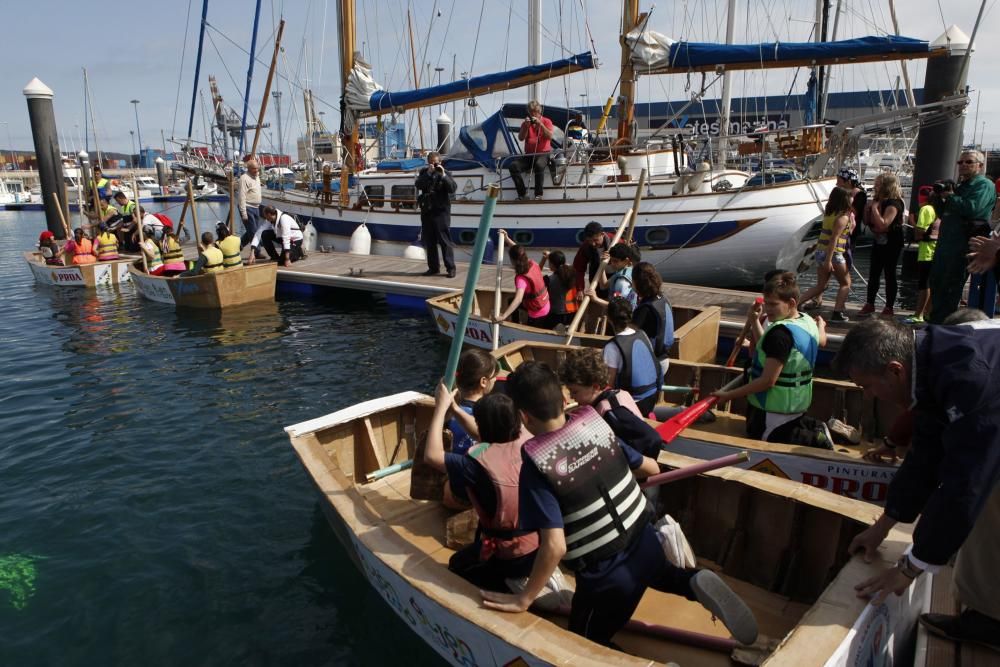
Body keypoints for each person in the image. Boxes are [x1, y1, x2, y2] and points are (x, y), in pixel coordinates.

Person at [481, 361, 758, 649]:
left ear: (524, 417)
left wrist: (523, 599)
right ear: (565, 400)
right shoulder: (596, 428)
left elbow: (554, 547)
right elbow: (651, 469)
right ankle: (694, 580)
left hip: (607, 580)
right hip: (648, 543)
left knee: (584, 644)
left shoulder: (537, 467)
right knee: (664, 575)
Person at [834, 318, 1000, 653]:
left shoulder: (969, 379)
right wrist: (884, 524)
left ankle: (990, 622)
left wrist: (911, 567)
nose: (869, 397)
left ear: (894, 371)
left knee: (986, 502)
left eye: (867, 386)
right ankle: (990, 617)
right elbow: (925, 455)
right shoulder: (926, 365)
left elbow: (963, 483)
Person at [423, 382, 539, 593]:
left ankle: (508, 585)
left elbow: (431, 456)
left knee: (457, 565)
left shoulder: (475, 466)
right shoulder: (527, 441)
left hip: (512, 556)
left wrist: (440, 409)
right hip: (538, 542)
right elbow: (485, 434)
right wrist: (456, 409)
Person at [713, 272, 832, 448]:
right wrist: (754, 320)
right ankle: (815, 425)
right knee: (780, 426)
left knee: (761, 433)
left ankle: (817, 437)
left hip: (774, 408)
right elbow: (821, 340)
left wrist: (728, 395)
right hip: (795, 405)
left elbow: (768, 381)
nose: (767, 310)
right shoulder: (806, 320)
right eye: (766, 303)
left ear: (791, 303)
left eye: (773, 304)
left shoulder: (780, 334)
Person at [929, 150, 998, 323]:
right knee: (938, 284)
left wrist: (950, 197)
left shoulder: (983, 185)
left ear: (980, 166)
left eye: (969, 162)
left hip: (962, 246)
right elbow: (942, 212)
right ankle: (936, 321)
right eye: (961, 162)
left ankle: (943, 326)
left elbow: (973, 208)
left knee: (950, 287)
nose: (963, 165)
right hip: (946, 245)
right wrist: (938, 198)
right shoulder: (960, 187)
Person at [558, 347, 662, 458]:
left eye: (575, 392)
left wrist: (643, 469)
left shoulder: (612, 412)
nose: (572, 397)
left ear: (595, 387)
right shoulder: (611, 394)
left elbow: (652, 438)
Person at [799, 187, 853, 322]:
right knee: (846, 283)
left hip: (821, 252)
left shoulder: (829, 215)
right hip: (833, 254)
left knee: (821, 285)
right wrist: (828, 261)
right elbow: (834, 238)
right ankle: (837, 313)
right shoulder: (843, 217)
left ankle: (795, 303)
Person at [602, 296, 662, 417]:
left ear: (609, 319)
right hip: (652, 397)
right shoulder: (643, 334)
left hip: (632, 404)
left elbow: (608, 385)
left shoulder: (612, 347)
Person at [857, 173, 905, 318]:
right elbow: (867, 222)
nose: (875, 187)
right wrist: (867, 209)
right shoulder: (877, 201)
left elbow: (883, 224)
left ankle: (889, 306)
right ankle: (869, 303)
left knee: (889, 273)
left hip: (892, 242)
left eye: (878, 184)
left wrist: (875, 210)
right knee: (874, 273)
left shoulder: (894, 203)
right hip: (879, 241)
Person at [445, 349, 500, 460]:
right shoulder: (489, 414)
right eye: (494, 376)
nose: (495, 380)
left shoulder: (447, 412)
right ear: (483, 382)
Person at [414, 151, 457, 277]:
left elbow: (452, 188)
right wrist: (428, 173)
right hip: (427, 211)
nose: (434, 165)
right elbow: (418, 184)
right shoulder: (424, 173)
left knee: (445, 241)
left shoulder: (446, 173)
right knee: (430, 241)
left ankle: (450, 268)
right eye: (431, 163)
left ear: (440, 162)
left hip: (441, 212)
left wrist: (443, 175)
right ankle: (433, 268)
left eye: (436, 163)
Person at [906, 184, 943, 324]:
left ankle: (918, 314)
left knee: (924, 284)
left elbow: (919, 232)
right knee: (932, 284)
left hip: (926, 251)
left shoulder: (926, 209)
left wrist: (912, 223)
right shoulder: (939, 209)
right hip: (937, 250)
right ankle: (928, 313)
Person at [495, 234, 550, 327]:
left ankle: (517, 327)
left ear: (513, 260)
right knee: (510, 301)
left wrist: (503, 316)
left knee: (514, 301)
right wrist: (507, 239)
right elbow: (518, 251)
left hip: (537, 312)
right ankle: (515, 323)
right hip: (546, 303)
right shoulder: (531, 263)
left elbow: (519, 299)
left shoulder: (521, 279)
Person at [631, 262, 675, 377]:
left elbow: (629, 337)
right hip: (664, 359)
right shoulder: (662, 298)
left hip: (651, 363)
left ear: (637, 283)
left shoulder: (644, 309)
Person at [509, 100, 554, 200]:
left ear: (539, 112)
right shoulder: (525, 123)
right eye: (531, 112)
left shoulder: (547, 121)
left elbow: (550, 136)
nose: (533, 114)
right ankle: (523, 194)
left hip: (543, 154)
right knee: (513, 166)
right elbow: (521, 138)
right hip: (529, 155)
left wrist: (541, 125)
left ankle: (538, 194)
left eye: (535, 112)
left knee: (539, 165)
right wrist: (526, 127)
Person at [584, 243, 639, 309]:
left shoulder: (622, 281)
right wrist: (602, 265)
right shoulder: (626, 271)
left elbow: (618, 307)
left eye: (616, 261)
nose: (612, 264)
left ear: (626, 260)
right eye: (611, 260)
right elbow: (603, 286)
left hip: (624, 317)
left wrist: (596, 299)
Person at [539, 250, 577, 329]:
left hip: (556, 315)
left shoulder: (549, 279)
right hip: (572, 314)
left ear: (552, 264)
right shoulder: (572, 273)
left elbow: (536, 275)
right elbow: (564, 264)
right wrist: (552, 257)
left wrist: (543, 259)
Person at [238, 158, 263, 256]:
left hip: (256, 207)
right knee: (253, 231)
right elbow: (241, 197)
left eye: (257, 168)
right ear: (248, 168)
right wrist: (243, 213)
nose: (256, 171)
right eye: (254, 169)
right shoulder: (244, 178)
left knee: (252, 230)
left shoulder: (257, 177)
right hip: (248, 207)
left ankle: (237, 246)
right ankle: (257, 252)